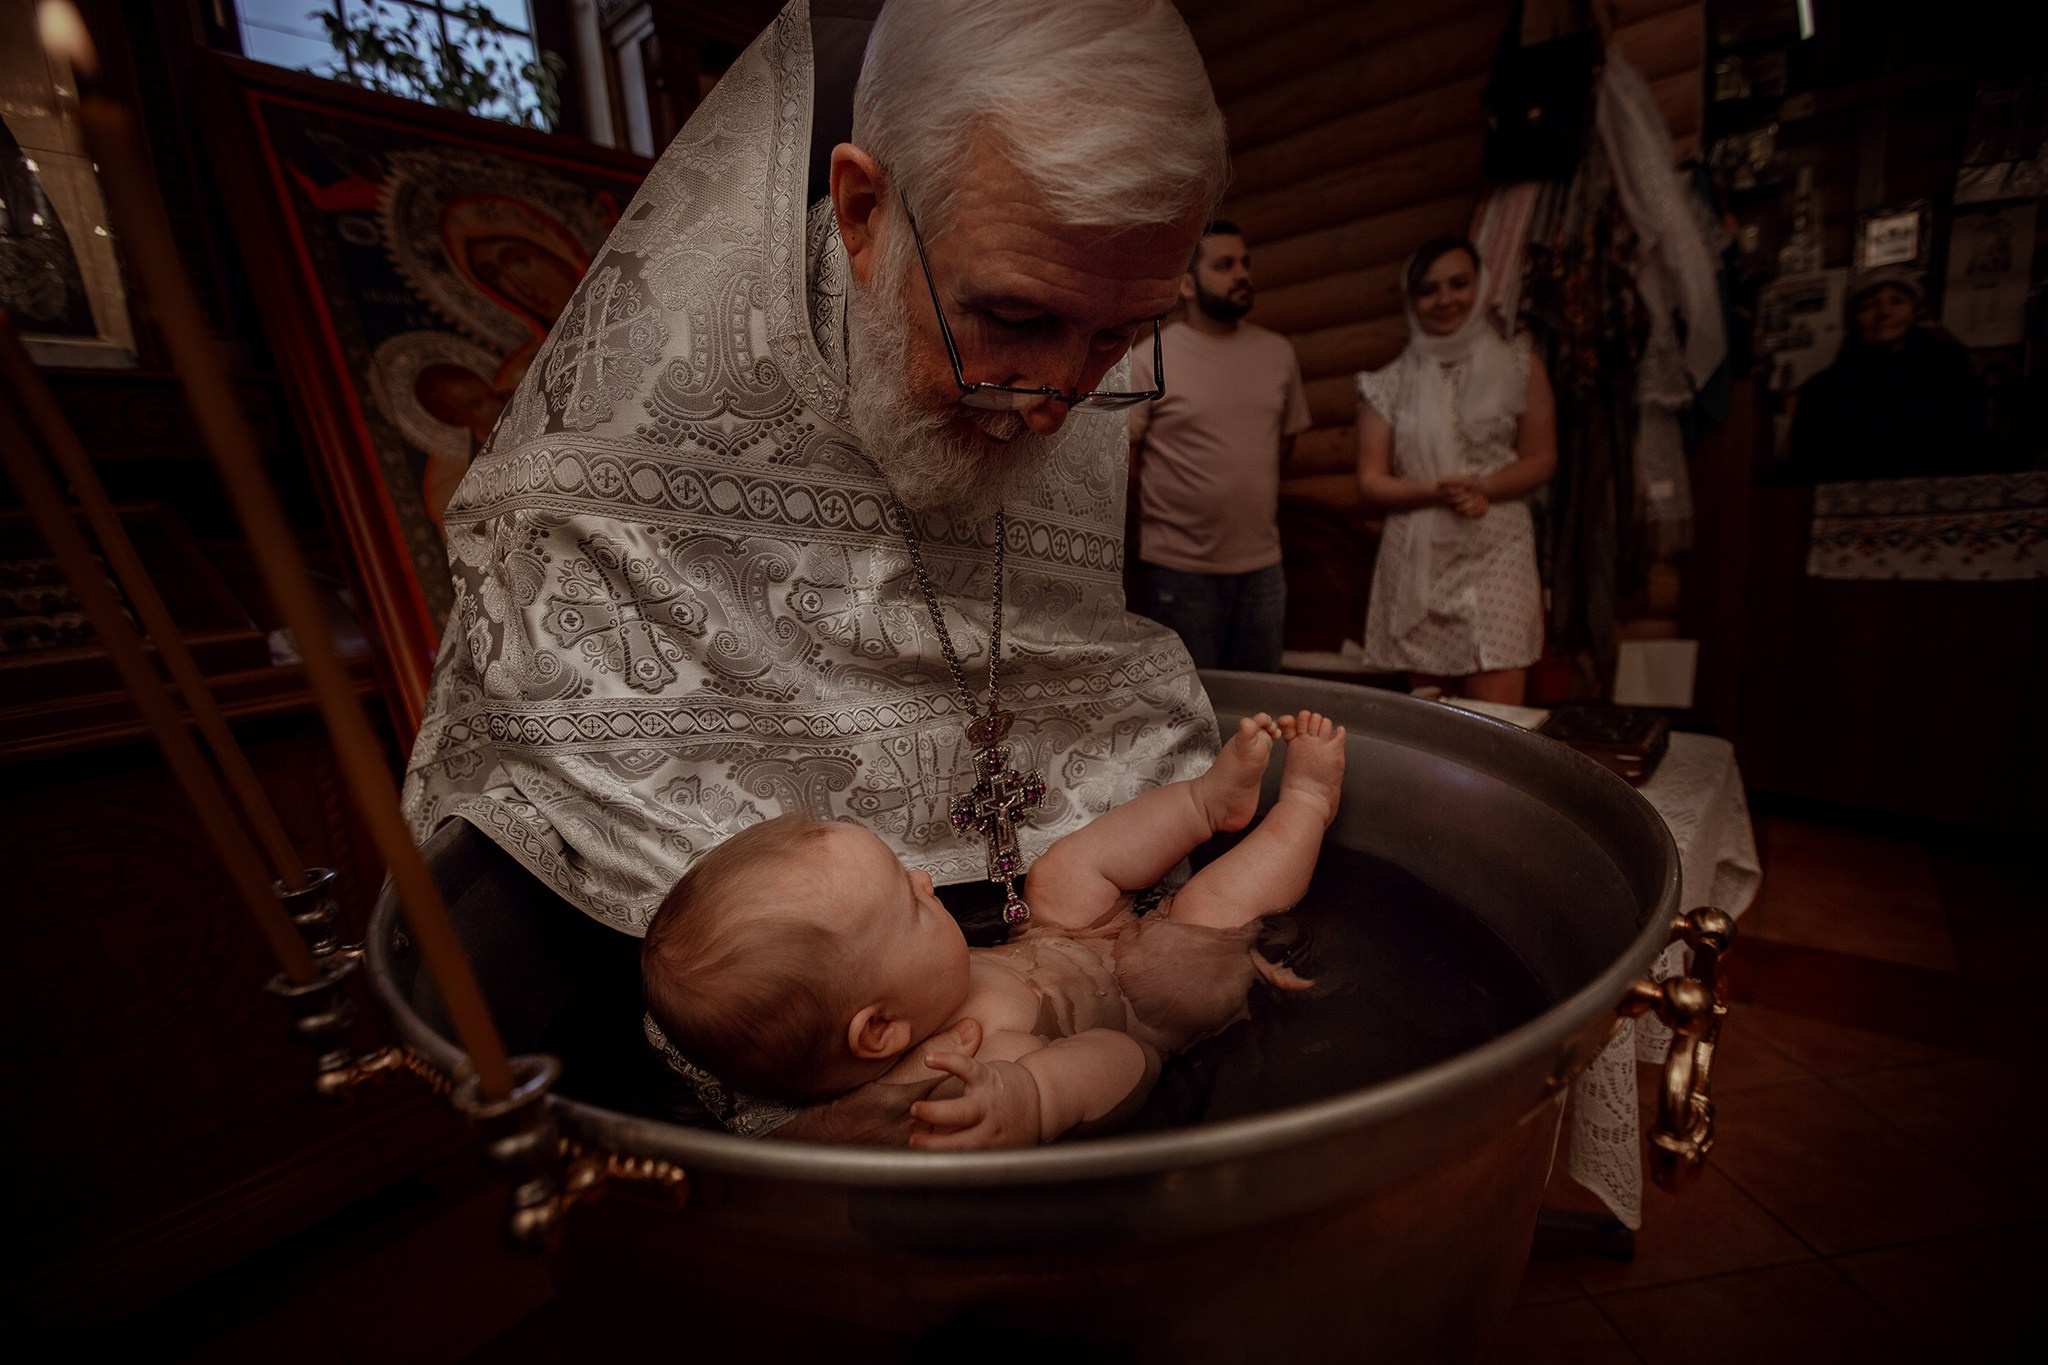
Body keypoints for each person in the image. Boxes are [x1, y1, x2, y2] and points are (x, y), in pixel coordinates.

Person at [400, 0, 1230, 1142]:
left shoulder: (1055, 351)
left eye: (1117, 337)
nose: (1054, 407)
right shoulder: (608, 487)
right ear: (860, 208)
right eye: (1016, 317)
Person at [642, 710, 1345, 1147]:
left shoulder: (919, 991)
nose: (927, 882)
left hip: (1050, 942)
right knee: (1203, 919)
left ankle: (1203, 802)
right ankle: (1308, 804)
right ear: (881, 1027)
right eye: (911, 904)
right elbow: (1126, 1062)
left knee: (1059, 878)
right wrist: (1036, 1098)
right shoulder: (967, 1067)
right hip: (1144, 998)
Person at [1353, 236, 1557, 705]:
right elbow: (1371, 480)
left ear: (1481, 287)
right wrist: (1437, 491)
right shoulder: (1386, 384)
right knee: (1431, 728)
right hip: (1418, 558)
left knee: (1499, 726)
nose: (1445, 299)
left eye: (1459, 284)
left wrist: (1482, 485)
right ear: (1412, 300)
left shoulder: (1520, 365)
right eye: (1429, 290)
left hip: (1496, 547)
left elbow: (1541, 458)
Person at [1127, 221, 1311, 672]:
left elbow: (1284, 444)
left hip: (1263, 567)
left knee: (1259, 708)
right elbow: (1125, 461)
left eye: (1245, 263)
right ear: (1187, 285)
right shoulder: (1150, 358)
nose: (1242, 274)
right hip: (1178, 569)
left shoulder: (1278, 352)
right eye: (1225, 265)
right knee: (1188, 707)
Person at [1787, 268, 1989, 482]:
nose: (1884, 313)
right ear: (1853, 319)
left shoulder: (1950, 369)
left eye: (1897, 301)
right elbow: (1809, 465)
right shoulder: (1823, 388)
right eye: (1869, 306)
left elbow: (1971, 445)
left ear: (1914, 311)